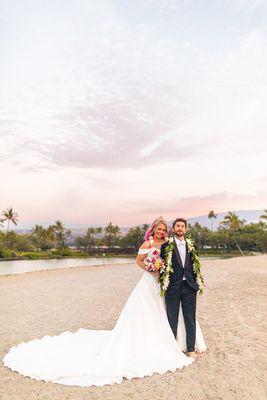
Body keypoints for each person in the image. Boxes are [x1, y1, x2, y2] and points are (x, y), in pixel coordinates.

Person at [3, 217, 205, 387]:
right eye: (158, 229)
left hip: (165, 285)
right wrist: (151, 269)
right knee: (148, 313)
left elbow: (175, 262)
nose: (161, 232)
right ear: (153, 229)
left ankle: (174, 342)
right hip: (149, 283)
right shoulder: (148, 244)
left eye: (163, 229)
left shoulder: (168, 243)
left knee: (166, 314)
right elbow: (139, 261)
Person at [160, 218, 203, 358]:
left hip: (189, 287)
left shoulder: (192, 246)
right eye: (177, 226)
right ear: (173, 229)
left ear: (185, 229)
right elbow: (162, 268)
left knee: (190, 318)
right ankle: (172, 349)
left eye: (182, 226)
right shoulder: (166, 246)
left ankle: (190, 349)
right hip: (172, 288)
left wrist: (196, 284)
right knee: (172, 319)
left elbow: (195, 266)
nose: (180, 228)